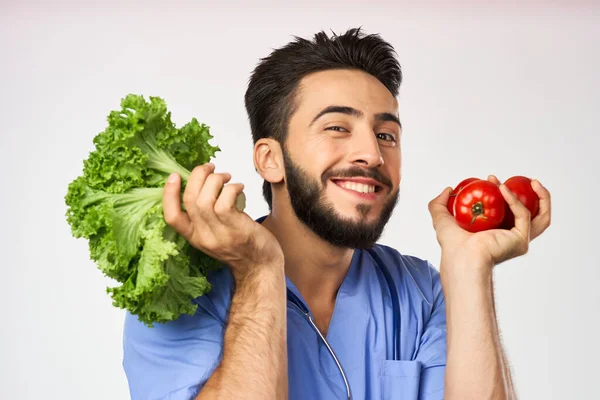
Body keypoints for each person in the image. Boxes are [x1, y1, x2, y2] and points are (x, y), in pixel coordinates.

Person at [122, 28, 551, 399]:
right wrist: (259, 271)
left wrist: (468, 267)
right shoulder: (179, 292)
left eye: (386, 134)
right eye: (337, 127)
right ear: (270, 160)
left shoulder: (420, 293)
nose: (372, 154)